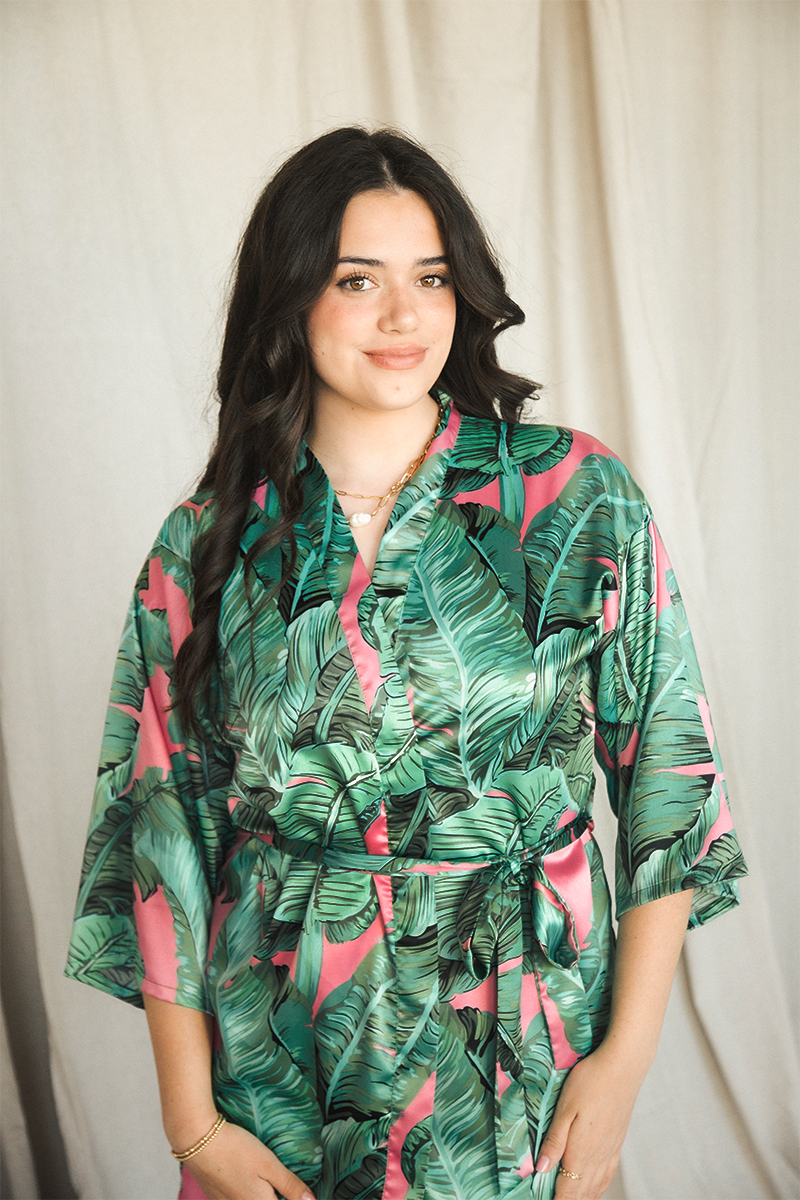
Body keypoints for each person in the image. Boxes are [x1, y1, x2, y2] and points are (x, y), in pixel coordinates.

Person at [66, 127, 747, 1200]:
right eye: (357, 280)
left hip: (518, 1059)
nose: (404, 317)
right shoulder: (206, 544)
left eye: (430, 278)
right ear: (290, 301)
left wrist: (622, 1063)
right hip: (279, 1069)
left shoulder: (573, 499)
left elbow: (672, 786)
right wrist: (191, 1124)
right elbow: (159, 839)